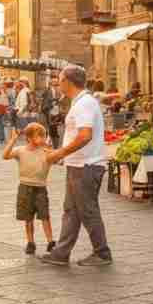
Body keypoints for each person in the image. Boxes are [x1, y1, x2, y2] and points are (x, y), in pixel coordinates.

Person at [39, 64, 112, 267]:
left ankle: (102, 253)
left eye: (59, 80)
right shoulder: (80, 102)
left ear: (67, 81)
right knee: (71, 210)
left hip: (86, 166)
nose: (58, 84)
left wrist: (59, 153)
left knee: (88, 211)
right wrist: (62, 154)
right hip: (79, 165)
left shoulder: (84, 103)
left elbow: (85, 135)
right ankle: (61, 253)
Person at [4, 123, 55, 255]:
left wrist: (50, 149)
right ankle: (30, 242)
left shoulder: (45, 151)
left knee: (45, 216)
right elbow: (5, 155)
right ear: (29, 138)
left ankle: (51, 242)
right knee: (28, 218)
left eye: (44, 136)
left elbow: (57, 159)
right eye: (39, 136)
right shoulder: (21, 150)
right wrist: (13, 140)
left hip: (41, 187)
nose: (42, 139)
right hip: (25, 187)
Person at [40, 75, 66, 149]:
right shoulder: (47, 91)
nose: (55, 82)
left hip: (56, 113)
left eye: (56, 81)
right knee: (50, 130)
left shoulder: (59, 90)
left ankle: (54, 146)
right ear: (50, 82)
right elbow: (44, 103)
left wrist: (58, 102)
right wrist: (53, 103)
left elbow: (60, 101)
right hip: (49, 112)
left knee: (53, 130)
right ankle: (50, 146)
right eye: (54, 81)